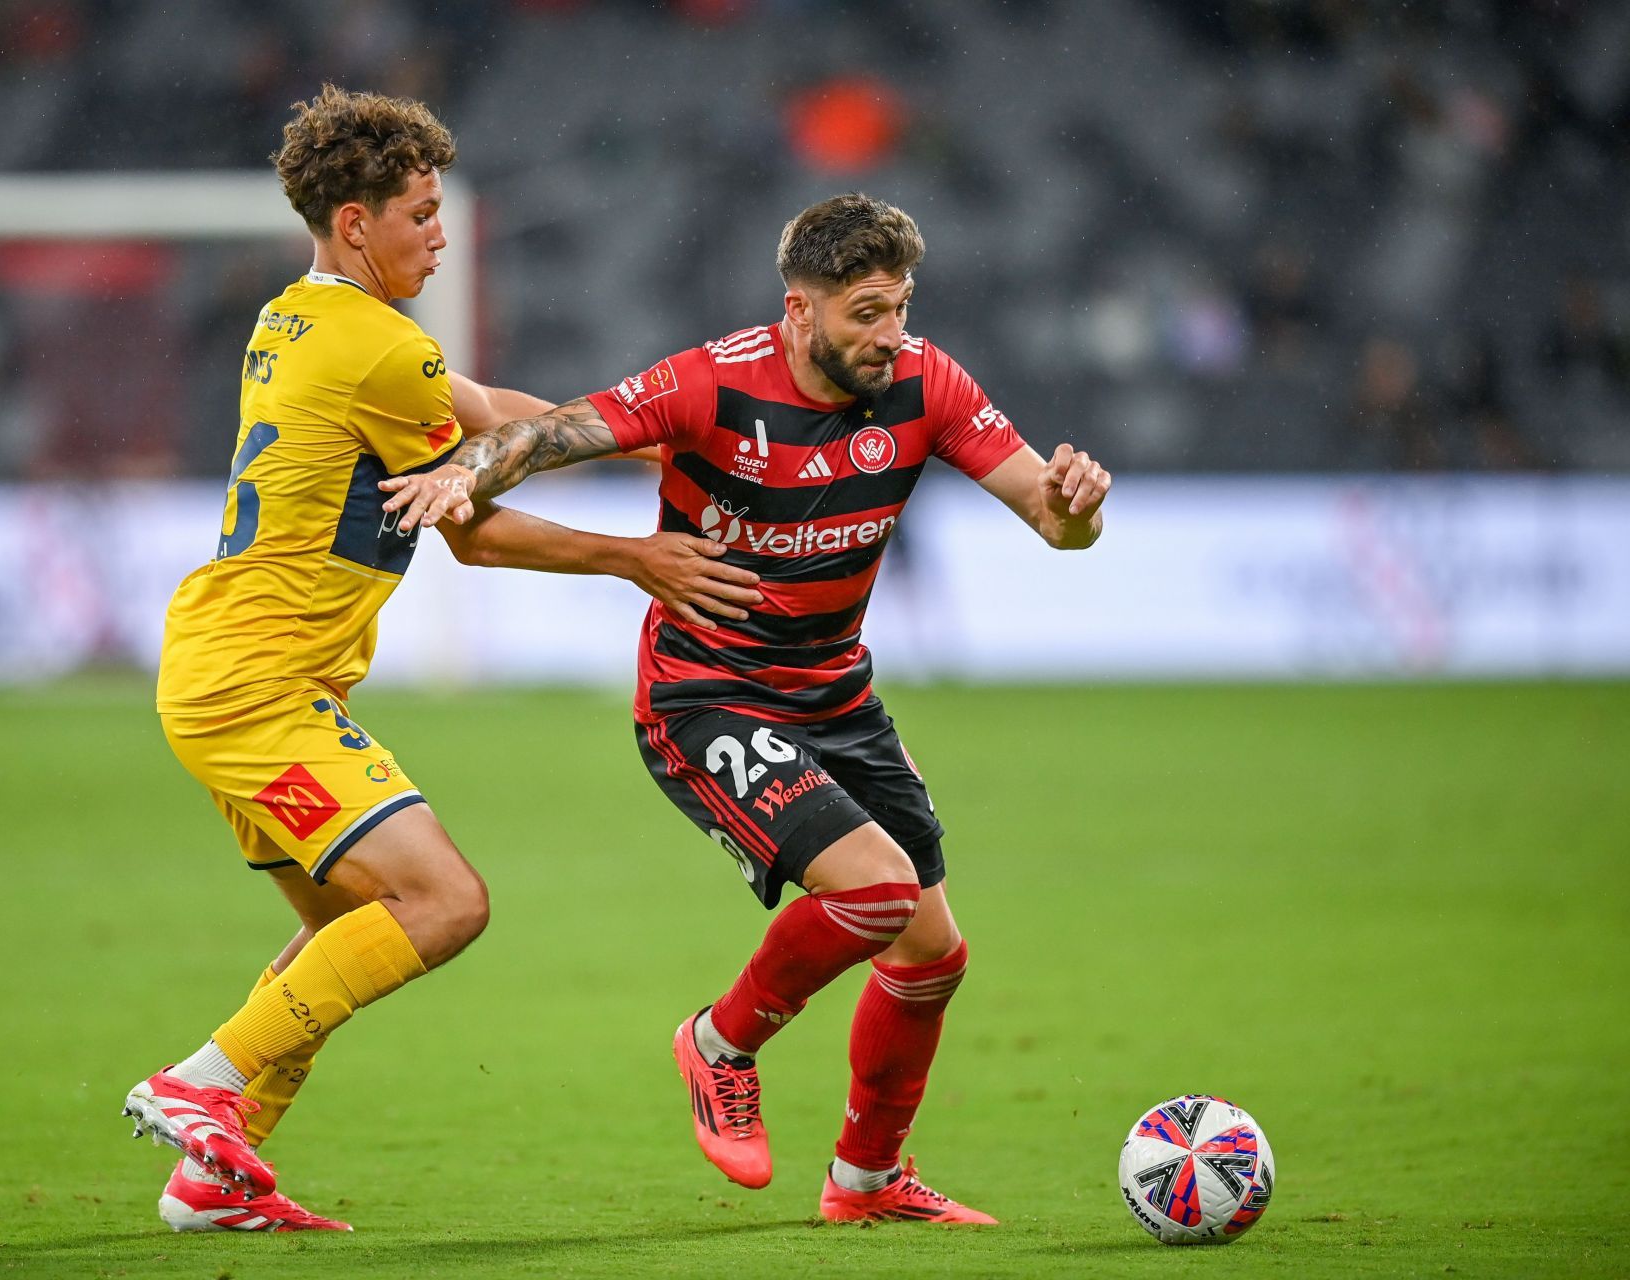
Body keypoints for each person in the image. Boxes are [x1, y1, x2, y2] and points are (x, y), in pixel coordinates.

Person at [381, 193, 1111, 1224]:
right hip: (705, 695)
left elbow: (1051, 515)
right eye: (865, 312)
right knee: (876, 895)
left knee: (931, 955)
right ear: (798, 311)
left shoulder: (926, 380)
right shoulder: (712, 382)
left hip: (836, 694)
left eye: (899, 307)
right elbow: (550, 433)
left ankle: (865, 1182)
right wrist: (460, 474)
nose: (889, 334)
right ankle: (718, 1042)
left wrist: (1077, 510)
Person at [119, 85, 760, 1234]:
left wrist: (637, 426)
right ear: (355, 224)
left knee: (340, 932)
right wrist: (639, 558)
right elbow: (478, 530)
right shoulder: (380, 349)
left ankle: (214, 1175)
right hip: (258, 685)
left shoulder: (301, 316)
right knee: (443, 900)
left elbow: (485, 415)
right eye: (419, 212)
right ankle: (199, 1084)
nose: (441, 233)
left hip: (229, 666)